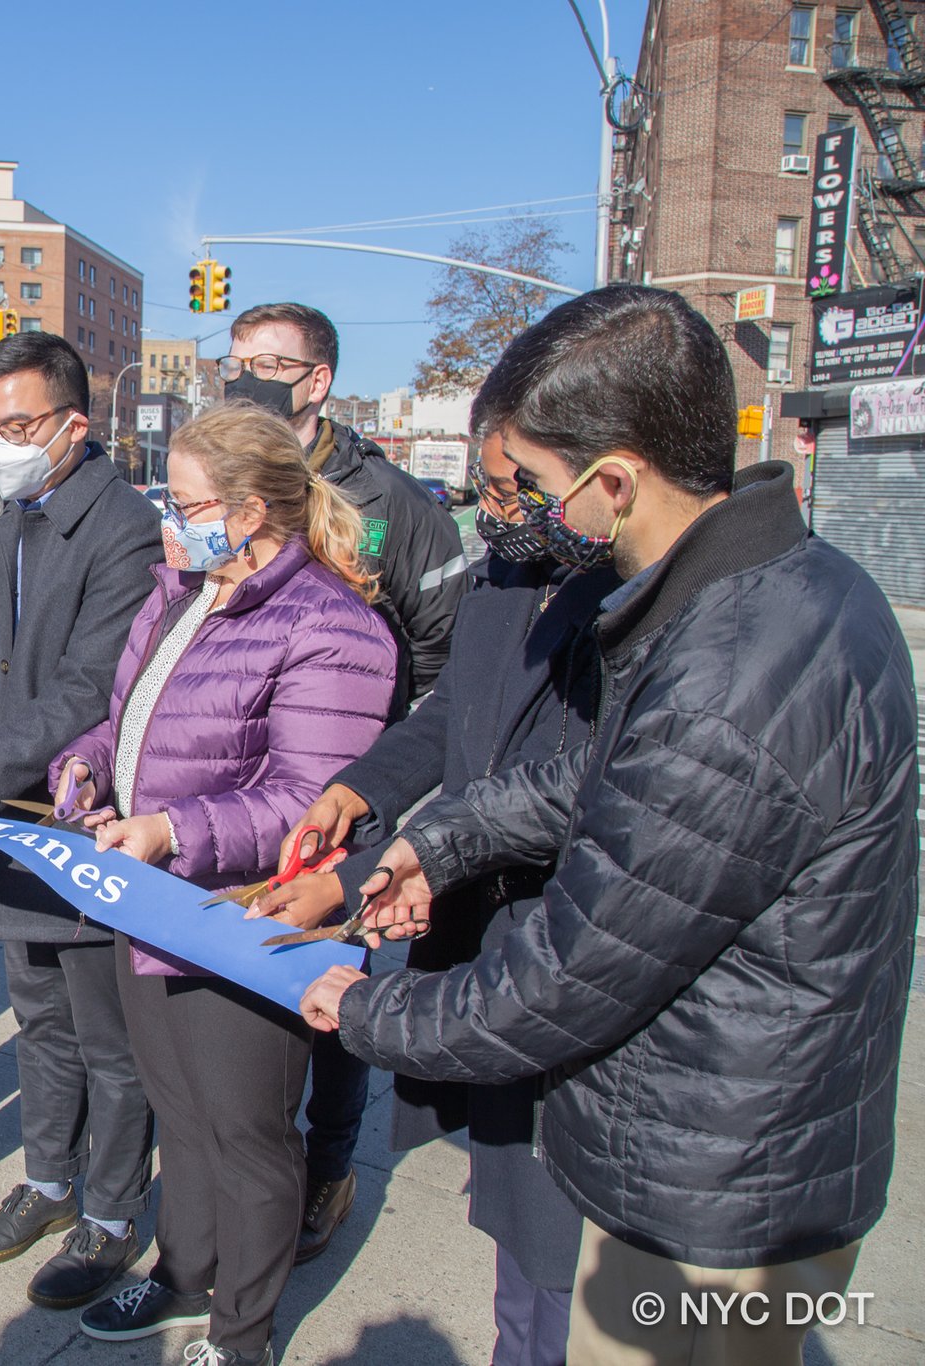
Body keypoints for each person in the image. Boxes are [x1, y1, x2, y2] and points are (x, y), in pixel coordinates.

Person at [301, 285, 918, 1366]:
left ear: (615, 480)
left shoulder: (733, 669)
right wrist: (438, 841)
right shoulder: (754, 591)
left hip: (710, 1190)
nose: (521, 514)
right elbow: (601, 779)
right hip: (711, 1146)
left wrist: (370, 1008)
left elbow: (569, 971)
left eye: (534, 485)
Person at [254, 419, 618, 1366]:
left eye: (514, 486)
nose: (492, 508)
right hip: (481, 912)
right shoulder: (505, 574)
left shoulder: (637, 602)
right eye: (488, 485)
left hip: (567, 929)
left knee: (557, 1233)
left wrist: (422, 856)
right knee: (510, 1206)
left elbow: (581, 784)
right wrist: (360, 790)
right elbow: (453, 711)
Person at [52, 402, 397, 1366]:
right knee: (183, 1117)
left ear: (247, 512)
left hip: (246, 919)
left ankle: (242, 1334)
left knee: (247, 1136)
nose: (168, 514)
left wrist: (170, 830)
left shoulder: (333, 624)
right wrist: (86, 769)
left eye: (186, 498)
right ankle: (181, 1275)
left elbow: (311, 801)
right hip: (149, 902)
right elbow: (130, 724)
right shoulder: (180, 594)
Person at [0, 331, 164, 1309]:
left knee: (106, 1039)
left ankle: (112, 1211)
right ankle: (48, 1184)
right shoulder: (11, 515)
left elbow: (90, 687)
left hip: (78, 813)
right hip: (7, 813)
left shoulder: (121, 523)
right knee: (37, 1018)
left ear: (73, 425)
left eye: (18, 425)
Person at [223, 300, 471, 1259]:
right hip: (234, 788)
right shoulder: (216, 484)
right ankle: (242, 1163)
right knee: (238, 988)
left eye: (271, 364)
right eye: (235, 361)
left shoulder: (393, 504)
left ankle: (327, 1168)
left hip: (350, 794)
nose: (248, 378)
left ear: (316, 382)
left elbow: (448, 662)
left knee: (328, 989)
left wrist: (389, 787)